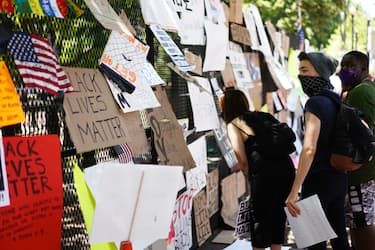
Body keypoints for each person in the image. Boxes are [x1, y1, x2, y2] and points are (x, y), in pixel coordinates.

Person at [285, 52, 351, 250]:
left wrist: (294, 190)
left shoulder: (315, 103)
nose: (301, 76)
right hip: (339, 178)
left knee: (315, 243)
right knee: (340, 240)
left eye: (305, 70)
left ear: (320, 73)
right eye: (299, 71)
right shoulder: (335, 100)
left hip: (318, 181)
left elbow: (309, 149)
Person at [220, 87, 295, 250]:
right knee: (278, 215)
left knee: (260, 218)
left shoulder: (234, 125)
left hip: (263, 172)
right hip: (286, 168)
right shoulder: (264, 115)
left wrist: (250, 181)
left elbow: (242, 160)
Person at [339, 50, 375, 250]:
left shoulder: (360, 92)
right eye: (343, 66)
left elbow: (361, 135)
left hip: (361, 171)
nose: (345, 70)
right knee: (358, 221)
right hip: (364, 170)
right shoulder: (366, 88)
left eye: (351, 66)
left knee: (362, 222)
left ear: (364, 69)